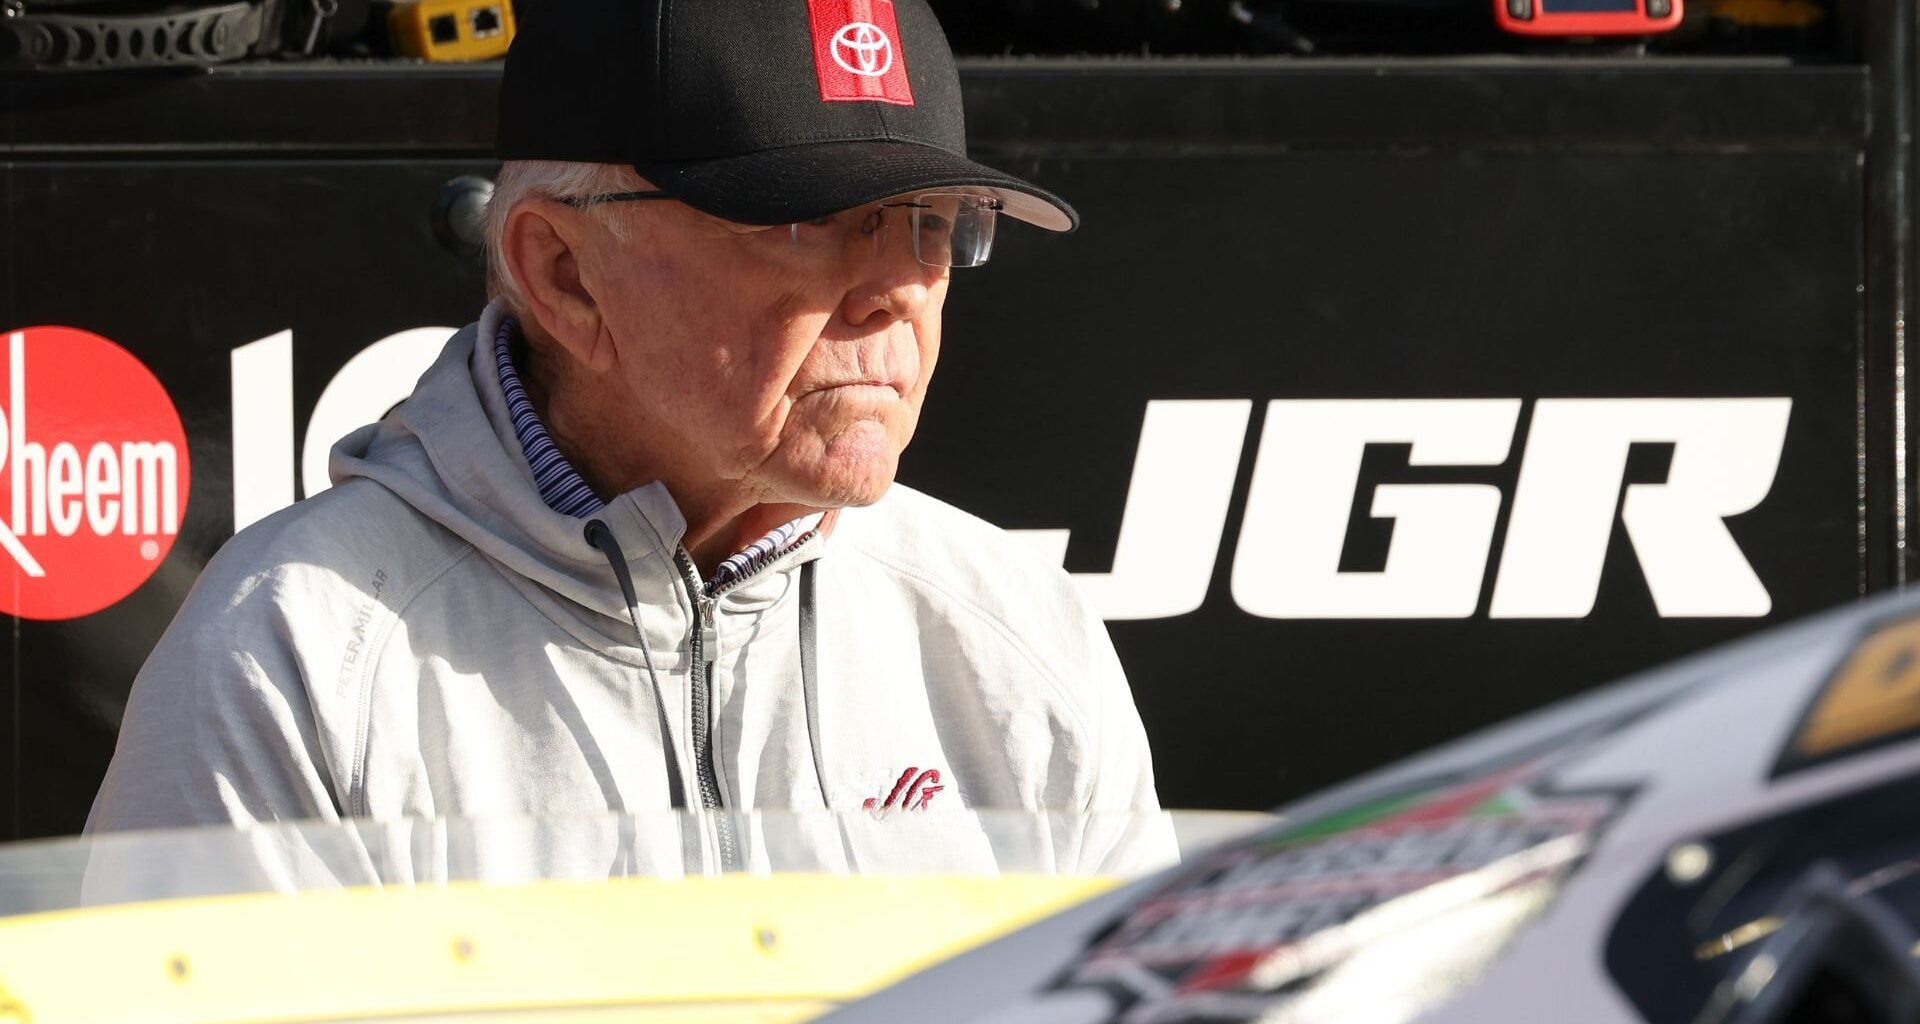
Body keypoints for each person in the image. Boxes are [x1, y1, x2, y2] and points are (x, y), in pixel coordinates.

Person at [86, 0, 1165, 867]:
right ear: (564, 275)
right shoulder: (295, 657)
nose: (894, 290)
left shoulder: (1016, 633)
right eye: (808, 222)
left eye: (932, 225)